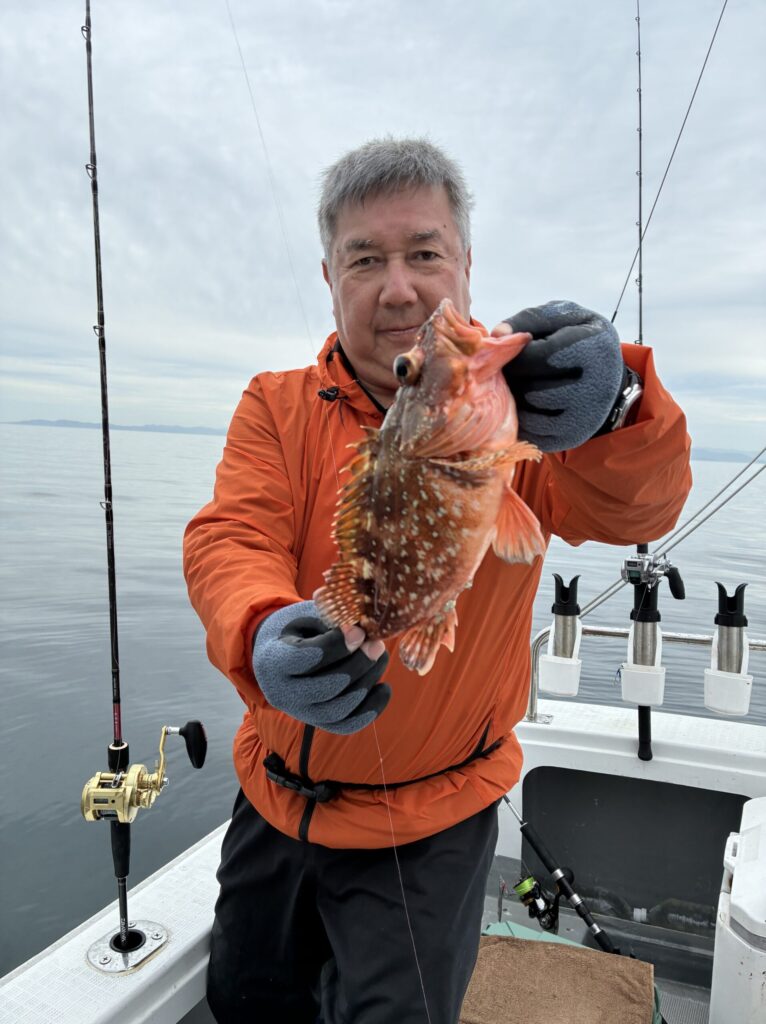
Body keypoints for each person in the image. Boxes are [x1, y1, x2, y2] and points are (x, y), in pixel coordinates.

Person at [184, 137, 692, 1024]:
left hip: (430, 825)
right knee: (245, 1000)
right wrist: (260, 626)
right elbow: (232, 536)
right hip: (273, 799)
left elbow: (637, 510)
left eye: (424, 253)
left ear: (465, 264)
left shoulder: (523, 421)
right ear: (329, 276)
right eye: (365, 260)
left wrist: (617, 411)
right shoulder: (275, 404)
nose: (399, 289)